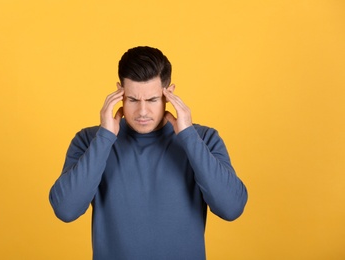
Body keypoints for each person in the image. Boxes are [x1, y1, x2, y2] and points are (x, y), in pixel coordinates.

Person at [49, 46, 248, 260]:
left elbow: (231, 208)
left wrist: (188, 135)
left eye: (152, 100)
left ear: (169, 94)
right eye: (133, 100)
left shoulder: (204, 139)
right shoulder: (90, 141)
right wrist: (105, 137)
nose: (142, 112)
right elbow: (66, 210)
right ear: (119, 93)